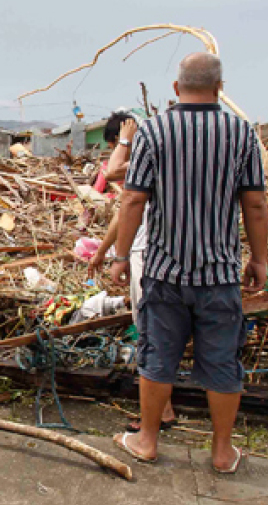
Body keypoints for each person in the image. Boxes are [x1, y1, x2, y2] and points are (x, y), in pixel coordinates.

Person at [109, 52, 268, 474]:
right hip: (219, 274)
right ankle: (221, 454)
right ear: (220, 88)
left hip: (164, 271)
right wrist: (260, 258)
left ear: (176, 89)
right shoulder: (241, 134)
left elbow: (133, 198)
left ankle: (146, 440)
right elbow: (254, 202)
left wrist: (121, 256)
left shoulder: (154, 131)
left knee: (158, 356)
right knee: (222, 362)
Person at [88, 112, 178, 431]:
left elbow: (112, 172)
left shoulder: (147, 156)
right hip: (160, 253)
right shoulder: (162, 156)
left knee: (150, 332)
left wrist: (126, 139)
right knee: (157, 331)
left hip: (148, 254)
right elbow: (124, 212)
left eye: (114, 144)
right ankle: (162, 407)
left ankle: (158, 413)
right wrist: (101, 252)